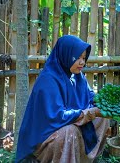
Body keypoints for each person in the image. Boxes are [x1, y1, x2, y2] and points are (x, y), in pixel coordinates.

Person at [16, 35, 110, 163]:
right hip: (45, 140)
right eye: (77, 58)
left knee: (101, 118)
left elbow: (90, 97)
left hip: (66, 125)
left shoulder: (77, 76)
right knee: (68, 132)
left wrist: (106, 104)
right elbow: (58, 117)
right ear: (66, 54)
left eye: (83, 58)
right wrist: (91, 112)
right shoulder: (48, 80)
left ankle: (81, 159)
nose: (82, 62)